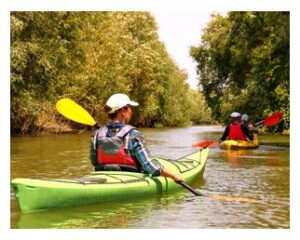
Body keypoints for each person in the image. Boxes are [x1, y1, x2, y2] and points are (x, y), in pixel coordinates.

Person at [90, 93, 183, 182]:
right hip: (131, 178)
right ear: (123, 111)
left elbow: (94, 162)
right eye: (130, 108)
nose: (131, 111)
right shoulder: (134, 135)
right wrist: (174, 175)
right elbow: (150, 166)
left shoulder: (97, 134)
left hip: (103, 177)